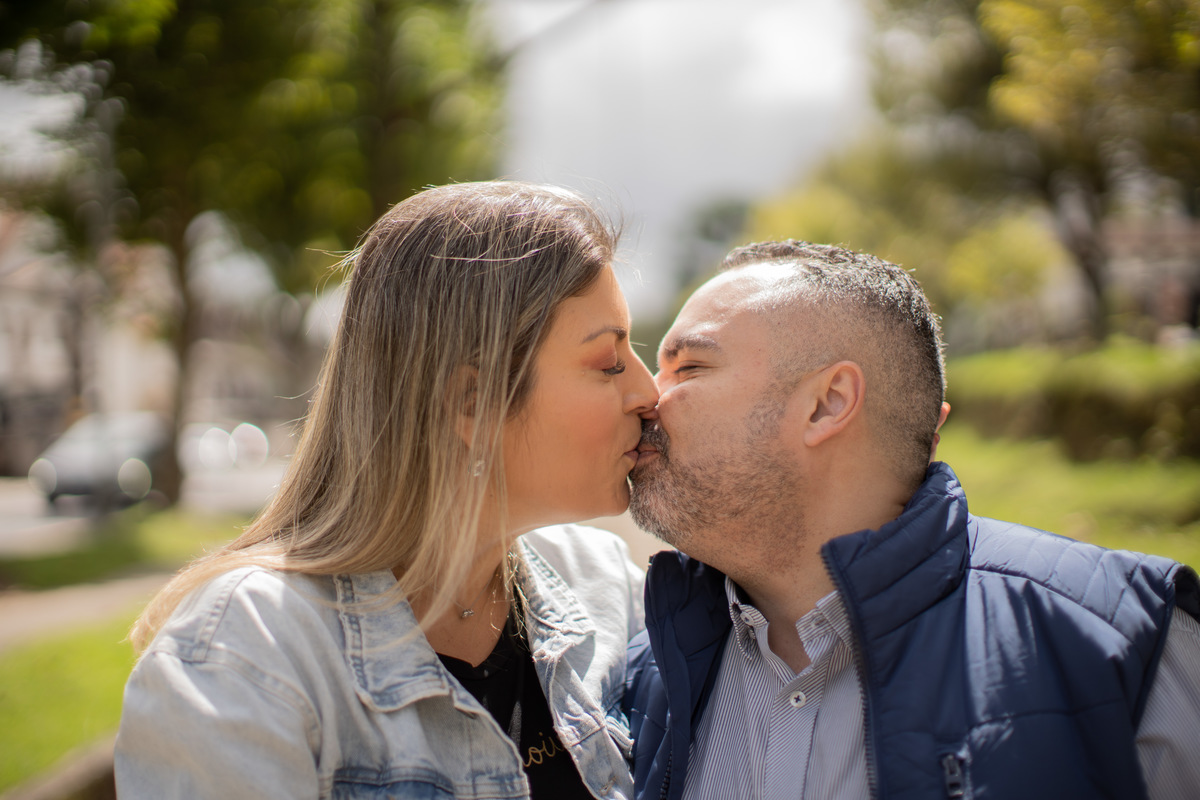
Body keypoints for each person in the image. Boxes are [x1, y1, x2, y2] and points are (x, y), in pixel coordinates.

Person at [115, 181, 659, 799]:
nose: (648, 394)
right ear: (473, 404)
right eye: (609, 362)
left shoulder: (605, 586)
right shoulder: (247, 655)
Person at [623, 240, 1200, 800]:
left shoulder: (1124, 641)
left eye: (688, 367)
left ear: (826, 404)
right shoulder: (645, 676)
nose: (644, 396)